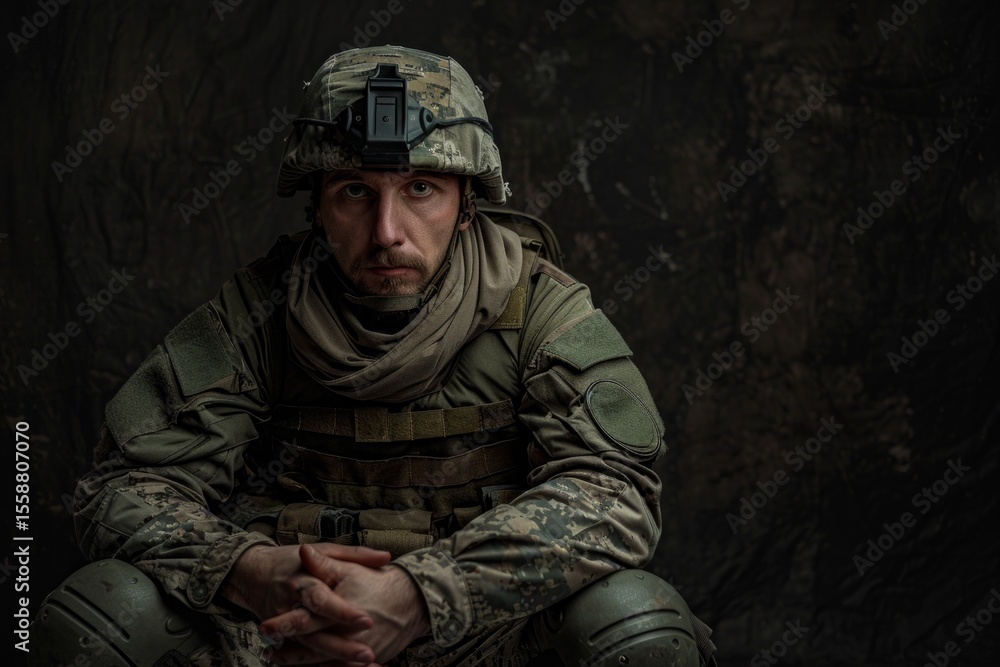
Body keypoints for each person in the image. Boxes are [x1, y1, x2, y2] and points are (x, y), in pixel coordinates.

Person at [32, 45, 717, 667]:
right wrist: (245, 570)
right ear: (317, 207)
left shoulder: (539, 309)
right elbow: (121, 488)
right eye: (355, 191)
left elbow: (614, 493)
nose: (387, 232)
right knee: (104, 616)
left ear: (467, 203)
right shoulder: (260, 311)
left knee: (633, 624)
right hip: (288, 629)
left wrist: (424, 594)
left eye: (421, 188)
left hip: (480, 631)